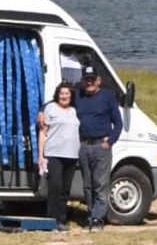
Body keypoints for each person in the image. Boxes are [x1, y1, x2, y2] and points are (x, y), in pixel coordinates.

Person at [74, 65, 123, 232]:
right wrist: (42, 110)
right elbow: (59, 99)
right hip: (84, 146)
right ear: (82, 81)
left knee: (100, 185)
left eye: (92, 79)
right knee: (87, 186)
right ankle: (91, 216)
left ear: (99, 80)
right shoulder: (78, 95)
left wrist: (110, 142)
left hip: (101, 146)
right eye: (86, 79)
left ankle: (98, 219)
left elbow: (118, 122)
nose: (89, 82)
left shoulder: (107, 96)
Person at [37, 81, 80, 232]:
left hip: (72, 155)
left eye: (67, 93)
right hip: (54, 153)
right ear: (57, 95)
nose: (64, 96)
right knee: (55, 187)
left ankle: (62, 220)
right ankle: (52, 220)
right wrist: (41, 156)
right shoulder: (50, 108)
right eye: (62, 93)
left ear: (71, 95)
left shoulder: (75, 110)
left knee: (65, 189)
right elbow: (42, 132)